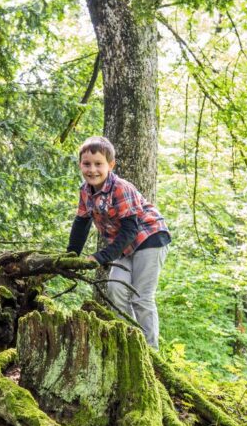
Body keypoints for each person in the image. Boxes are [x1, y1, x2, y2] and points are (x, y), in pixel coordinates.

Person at [66, 136, 170, 349]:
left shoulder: (121, 188)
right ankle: (129, 344)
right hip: (125, 246)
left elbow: (131, 229)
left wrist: (101, 256)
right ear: (80, 164)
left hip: (149, 238)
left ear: (110, 165)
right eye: (87, 164)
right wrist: (70, 256)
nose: (92, 170)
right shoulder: (85, 191)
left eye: (98, 164)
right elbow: (81, 223)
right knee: (115, 289)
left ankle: (151, 352)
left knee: (141, 297)